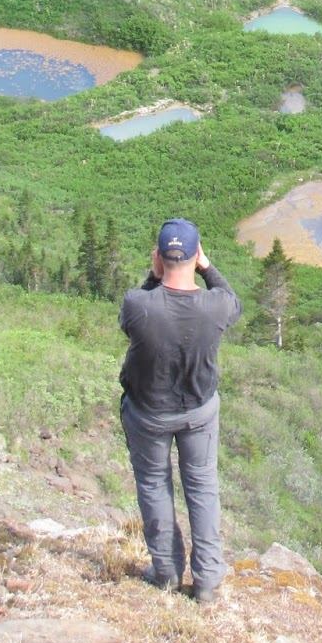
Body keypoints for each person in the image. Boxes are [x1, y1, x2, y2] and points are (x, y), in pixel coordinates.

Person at [119, 218, 241, 599]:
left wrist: (155, 278)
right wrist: (207, 268)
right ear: (196, 254)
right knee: (202, 488)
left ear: (158, 258)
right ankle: (207, 581)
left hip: (148, 413)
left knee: (154, 485)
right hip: (199, 412)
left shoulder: (139, 304)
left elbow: (132, 319)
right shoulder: (214, 307)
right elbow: (231, 298)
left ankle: (167, 572)